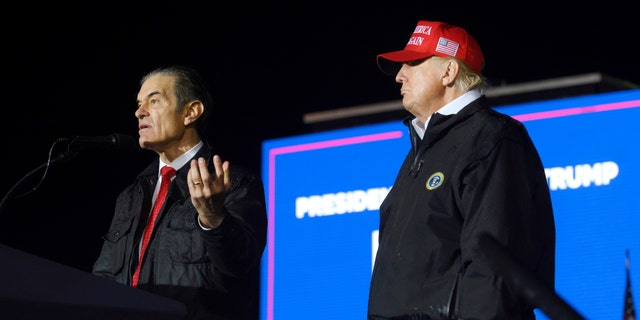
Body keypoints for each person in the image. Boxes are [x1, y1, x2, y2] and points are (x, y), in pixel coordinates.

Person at [367, 20, 556, 319]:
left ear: (449, 71)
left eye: (413, 63)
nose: (399, 76)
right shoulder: (420, 151)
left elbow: (494, 267)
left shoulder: (493, 138)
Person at [92, 65, 268, 320]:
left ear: (190, 112)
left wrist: (213, 218)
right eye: (140, 104)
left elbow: (241, 264)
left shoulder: (233, 182)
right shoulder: (131, 196)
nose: (139, 112)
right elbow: (104, 278)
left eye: (154, 101)